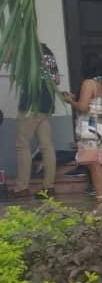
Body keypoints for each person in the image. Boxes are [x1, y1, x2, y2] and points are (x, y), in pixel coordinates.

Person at [60, 54, 102, 205]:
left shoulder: (88, 83)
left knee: (93, 164)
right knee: (95, 163)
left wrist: (70, 101)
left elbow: (82, 107)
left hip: (90, 127)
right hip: (99, 126)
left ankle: (101, 196)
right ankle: (101, 195)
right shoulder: (98, 83)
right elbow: (90, 102)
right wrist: (75, 97)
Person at [11, 43, 58, 199]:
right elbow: (56, 79)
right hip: (47, 104)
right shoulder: (47, 51)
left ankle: (22, 187)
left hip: (30, 105)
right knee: (46, 145)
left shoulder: (26, 50)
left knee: (22, 144)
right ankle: (48, 186)